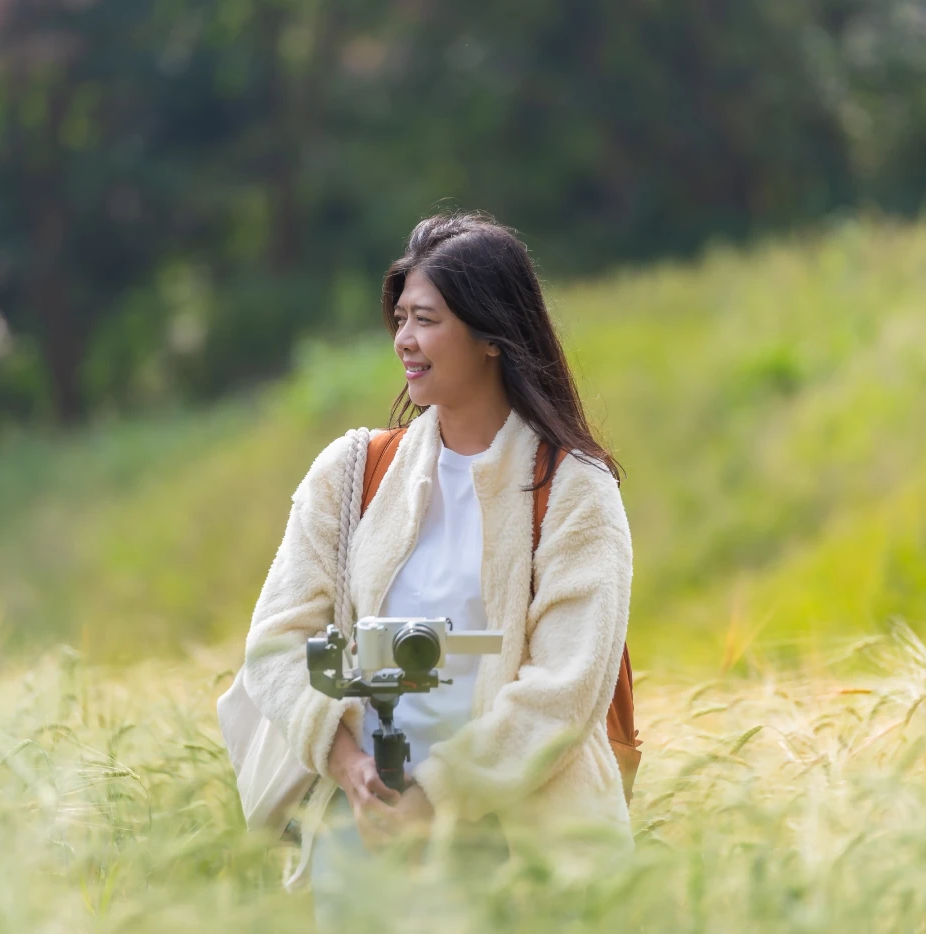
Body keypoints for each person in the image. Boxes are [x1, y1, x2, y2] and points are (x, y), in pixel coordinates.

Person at [241, 212, 634, 929]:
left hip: (526, 847)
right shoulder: (352, 472)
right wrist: (348, 764)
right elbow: (275, 642)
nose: (404, 341)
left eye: (426, 319)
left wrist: (438, 796)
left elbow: (567, 688)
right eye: (400, 319)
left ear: (491, 336)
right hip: (365, 835)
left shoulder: (575, 488)